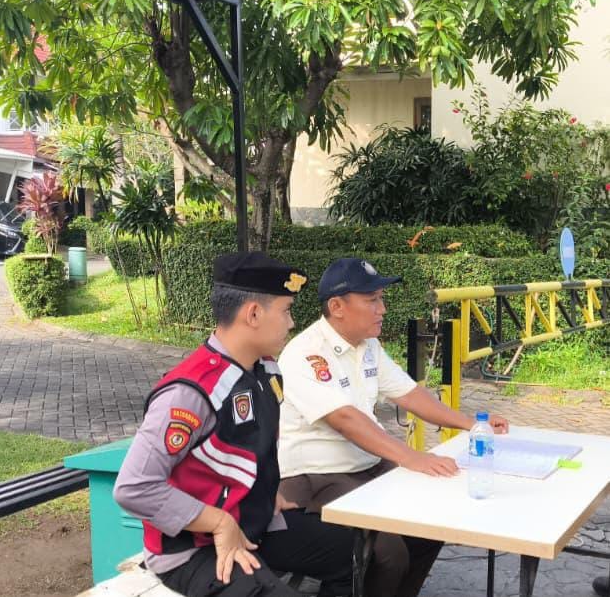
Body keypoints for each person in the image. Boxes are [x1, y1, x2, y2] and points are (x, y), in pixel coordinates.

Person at [114, 252, 354, 597]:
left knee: (352, 549)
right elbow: (133, 487)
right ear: (253, 314)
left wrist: (267, 494)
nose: (291, 323)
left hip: (251, 523)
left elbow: (248, 448)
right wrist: (219, 521)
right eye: (286, 310)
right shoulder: (190, 392)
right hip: (193, 547)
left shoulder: (265, 370)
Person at [277, 257, 510, 597]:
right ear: (337, 307)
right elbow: (345, 419)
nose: (382, 309)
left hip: (367, 465)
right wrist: (411, 457)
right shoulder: (306, 353)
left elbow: (409, 393)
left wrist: (471, 423)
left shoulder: (367, 345)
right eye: (372, 300)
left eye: (381, 299)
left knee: (431, 524)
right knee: (387, 553)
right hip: (319, 474)